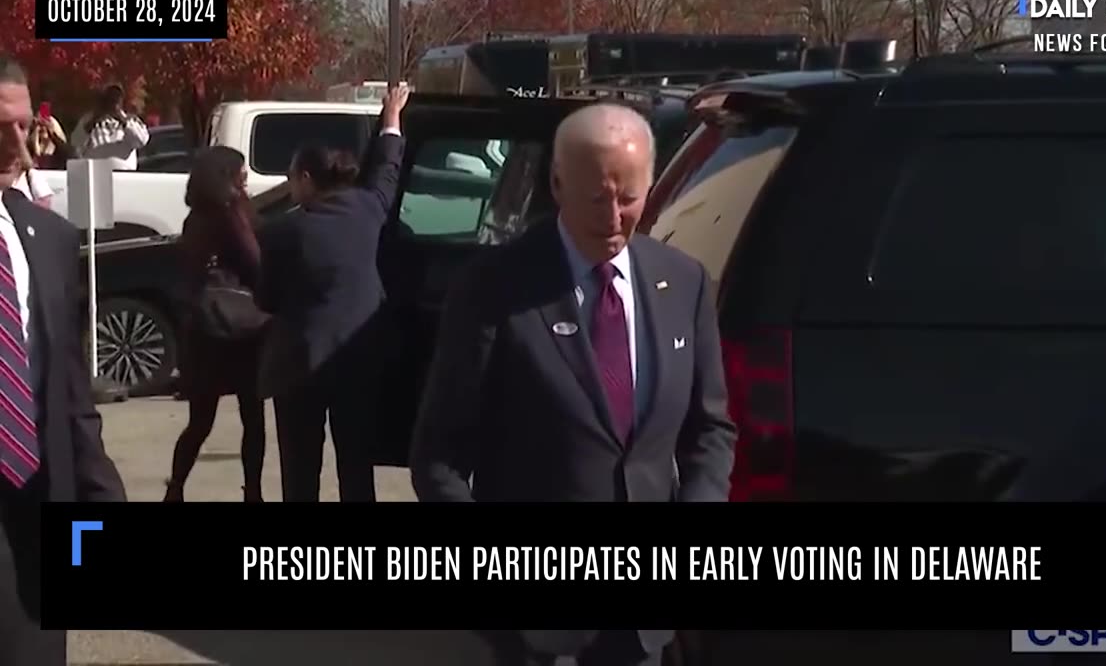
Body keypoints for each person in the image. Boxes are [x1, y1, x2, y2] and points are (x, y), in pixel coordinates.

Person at [409, 102, 737, 666]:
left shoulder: (682, 284)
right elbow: (438, 456)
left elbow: (711, 430)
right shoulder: (494, 288)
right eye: (596, 197)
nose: (613, 216)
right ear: (558, 183)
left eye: (629, 197)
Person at [0, 56, 126, 665]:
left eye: (23, 126)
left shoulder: (47, 240)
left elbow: (69, 392)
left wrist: (103, 503)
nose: (15, 144)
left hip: (34, 509)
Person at [256, 83, 409, 503]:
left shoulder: (283, 232)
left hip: (300, 367)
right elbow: (387, 168)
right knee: (356, 466)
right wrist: (392, 118)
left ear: (306, 179)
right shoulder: (369, 208)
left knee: (300, 471)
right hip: (359, 360)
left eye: (291, 177)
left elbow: (266, 299)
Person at [163, 147, 267, 503]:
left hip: (203, 330)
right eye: (241, 173)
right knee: (252, 418)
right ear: (228, 177)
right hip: (240, 331)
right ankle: (252, 492)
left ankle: (175, 488)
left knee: (200, 421)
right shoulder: (231, 214)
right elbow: (254, 263)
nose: (246, 179)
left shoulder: (196, 217)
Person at [70, 84, 150, 170]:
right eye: (109, 98)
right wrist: (94, 120)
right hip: (97, 175)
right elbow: (75, 143)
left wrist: (122, 120)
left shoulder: (131, 121)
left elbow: (141, 141)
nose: (113, 103)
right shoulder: (88, 120)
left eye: (116, 98)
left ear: (121, 101)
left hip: (124, 176)